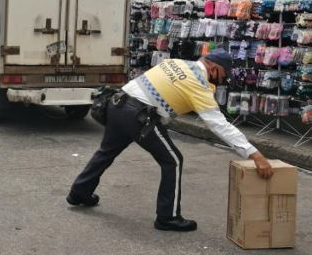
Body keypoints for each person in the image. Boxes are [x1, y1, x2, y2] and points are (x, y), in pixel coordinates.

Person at [67, 49, 273, 232]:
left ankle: (79, 192)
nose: (222, 80)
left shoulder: (177, 62)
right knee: (172, 160)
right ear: (214, 67)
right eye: (223, 75)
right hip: (139, 116)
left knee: (106, 152)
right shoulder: (198, 84)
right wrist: (253, 153)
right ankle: (168, 217)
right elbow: (219, 125)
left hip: (117, 105)